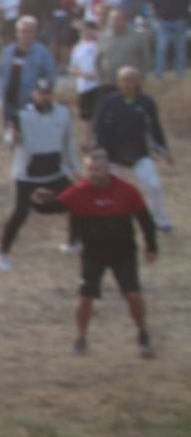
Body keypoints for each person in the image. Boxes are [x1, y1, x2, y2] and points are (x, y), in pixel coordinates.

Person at [33, 151, 160, 356]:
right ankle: (81, 338)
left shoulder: (127, 191)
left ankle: (143, 334)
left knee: (133, 296)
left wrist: (151, 246)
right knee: (85, 298)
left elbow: (145, 219)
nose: (94, 174)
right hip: (93, 254)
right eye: (90, 170)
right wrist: (38, 202)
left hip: (123, 253)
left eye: (98, 169)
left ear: (108, 170)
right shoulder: (78, 191)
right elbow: (55, 207)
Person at [0, 76, 78, 269]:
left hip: (55, 172)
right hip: (27, 175)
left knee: (76, 202)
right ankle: (3, 254)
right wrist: (13, 137)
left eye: (48, 93)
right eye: (41, 93)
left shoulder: (63, 114)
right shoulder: (22, 115)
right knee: (20, 213)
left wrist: (75, 168)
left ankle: (73, 243)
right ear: (34, 94)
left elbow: (68, 143)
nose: (44, 97)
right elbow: (10, 138)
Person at [91, 66, 175, 232]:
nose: (127, 84)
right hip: (113, 155)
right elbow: (98, 126)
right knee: (113, 191)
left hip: (140, 153)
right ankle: (113, 221)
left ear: (138, 82)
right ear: (118, 82)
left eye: (131, 80)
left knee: (154, 186)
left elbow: (155, 128)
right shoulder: (109, 102)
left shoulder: (146, 102)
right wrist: (101, 149)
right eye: (123, 80)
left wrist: (164, 150)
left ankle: (160, 220)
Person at [0, 16, 58, 134]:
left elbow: (50, 77)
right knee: (11, 138)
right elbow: (0, 73)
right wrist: (0, 92)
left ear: (35, 33)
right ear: (17, 33)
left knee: (31, 138)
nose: (25, 35)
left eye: (29, 31)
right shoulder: (7, 52)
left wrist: (41, 94)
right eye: (22, 31)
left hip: (31, 104)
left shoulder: (43, 54)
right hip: (9, 103)